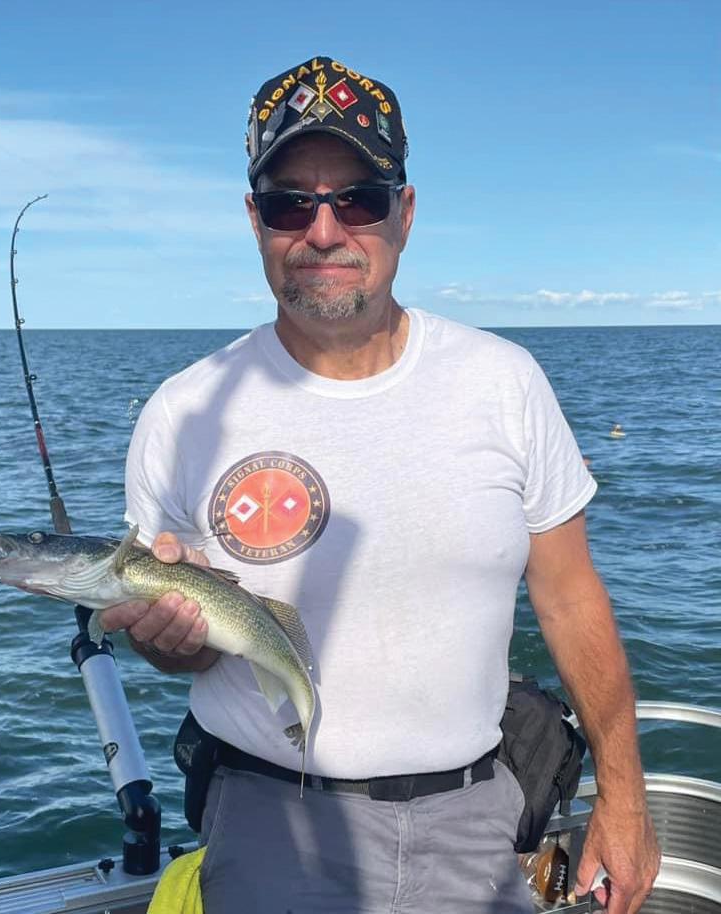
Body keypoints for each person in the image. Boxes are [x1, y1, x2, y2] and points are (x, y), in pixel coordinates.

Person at [100, 56, 659, 914]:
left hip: (476, 817)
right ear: (255, 220)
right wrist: (167, 641)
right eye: (291, 204)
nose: (324, 231)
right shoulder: (184, 411)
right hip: (269, 818)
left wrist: (624, 798)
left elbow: (570, 595)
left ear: (406, 212)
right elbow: (191, 648)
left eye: (357, 199)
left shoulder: (504, 381)